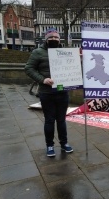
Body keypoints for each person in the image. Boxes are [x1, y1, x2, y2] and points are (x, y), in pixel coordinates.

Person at [25, 28, 73, 157]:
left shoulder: (64, 52)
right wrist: (43, 79)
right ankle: (50, 145)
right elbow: (29, 68)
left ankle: (64, 143)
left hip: (62, 91)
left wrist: (78, 60)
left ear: (59, 39)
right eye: (51, 37)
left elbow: (72, 68)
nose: (54, 39)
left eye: (56, 38)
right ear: (46, 39)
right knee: (49, 120)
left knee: (62, 120)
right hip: (46, 92)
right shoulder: (37, 52)